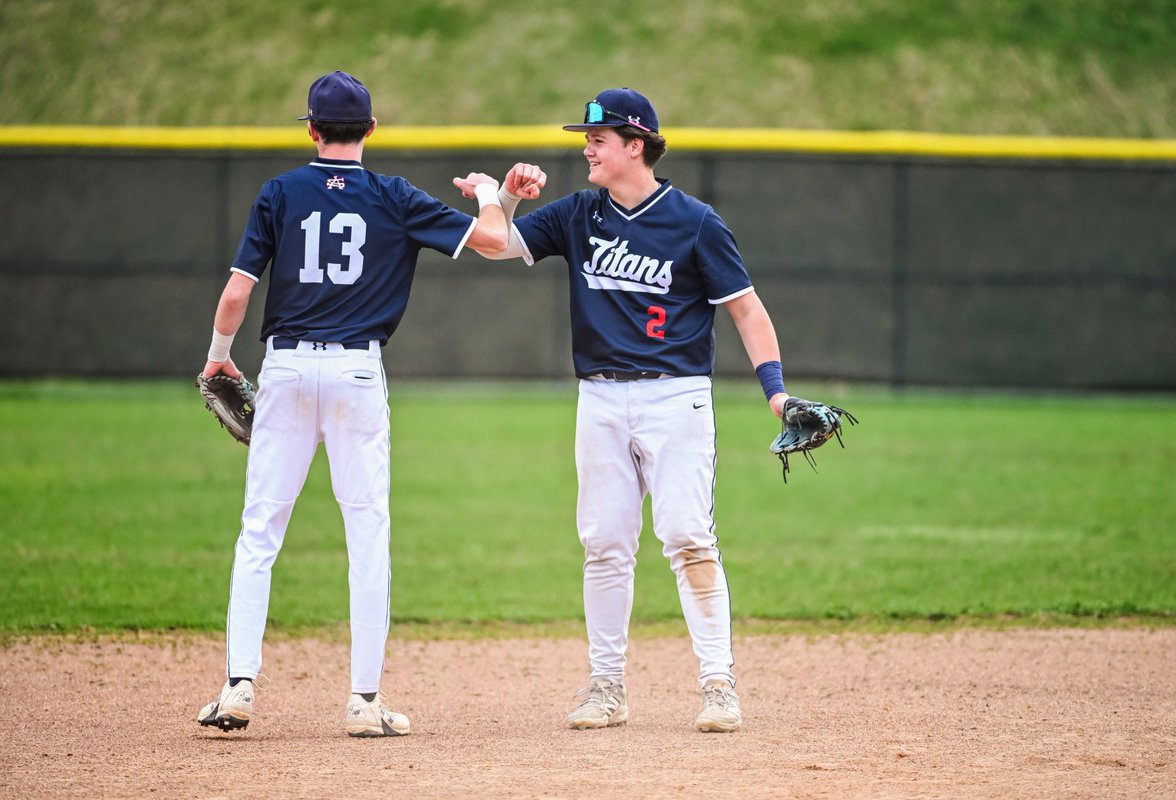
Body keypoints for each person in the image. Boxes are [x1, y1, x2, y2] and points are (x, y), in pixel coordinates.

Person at [195, 70, 523, 737]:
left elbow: (235, 294)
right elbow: (493, 243)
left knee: (260, 529)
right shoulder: (394, 196)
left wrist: (218, 355)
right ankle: (364, 702)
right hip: (355, 373)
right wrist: (494, 195)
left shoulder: (280, 193)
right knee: (367, 531)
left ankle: (237, 688)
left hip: (285, 366)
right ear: (371, 129)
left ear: (311, 129)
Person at [456, 88, 790, 733]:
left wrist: (774, 389)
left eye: (598, 138)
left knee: (688, 537)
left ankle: (718, 683)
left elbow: (745, 308)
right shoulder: (580, 212)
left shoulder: (694, 221)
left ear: (635, 146)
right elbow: (495, 246)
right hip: (600, 398)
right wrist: (502, 196)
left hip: (676, 395)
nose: (587, 146)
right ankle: (606, 686)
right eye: (587, 137)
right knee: (605, 545)